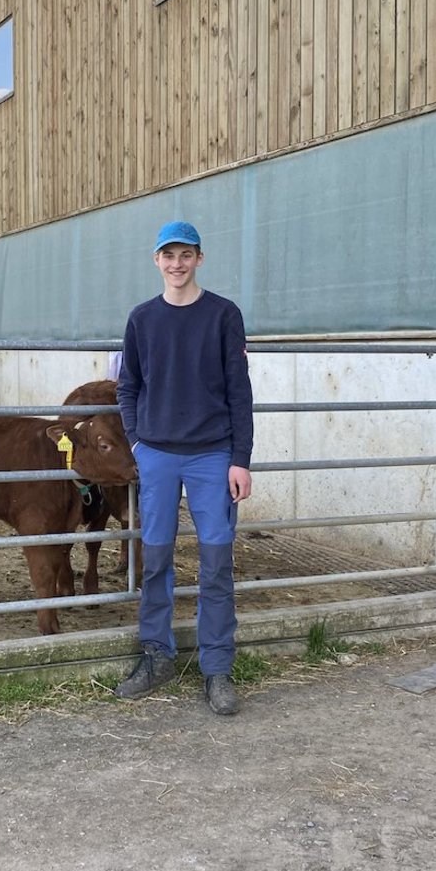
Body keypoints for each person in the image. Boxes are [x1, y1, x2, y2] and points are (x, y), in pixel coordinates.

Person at [114, 219, 254, 715]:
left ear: (199, 258)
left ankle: (217, 667)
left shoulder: (223, 315)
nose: (177, 264)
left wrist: (240, 460)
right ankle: (157, 654)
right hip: (156, 455)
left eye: (186, 254)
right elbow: (127, 385)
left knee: (216, 563)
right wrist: (137, 443)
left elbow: (239, 391)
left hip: (212, 455)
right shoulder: (142, 319)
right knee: (156, 560)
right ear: (156, 260)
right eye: (169, 255)